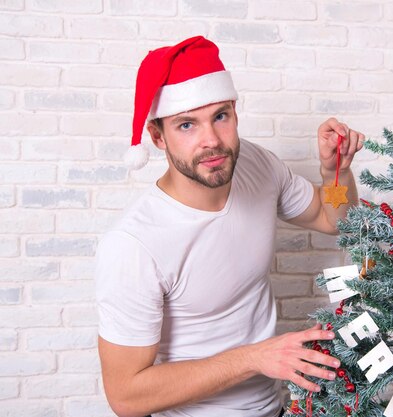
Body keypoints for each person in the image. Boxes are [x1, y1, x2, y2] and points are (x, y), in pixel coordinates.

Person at [95, 36, 365, 417]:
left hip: (275, 408)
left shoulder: (254, 163)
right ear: (157, 137)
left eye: (220, 116)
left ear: (235, 112)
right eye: (186, 124)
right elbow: (125, 396)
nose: (212, 141)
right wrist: (254, 358)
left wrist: (334, 171)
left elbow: (331, 219)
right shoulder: (134, 245)